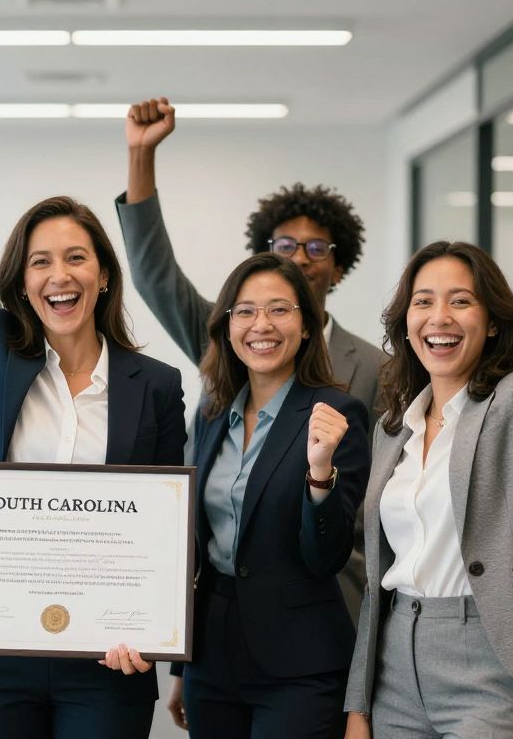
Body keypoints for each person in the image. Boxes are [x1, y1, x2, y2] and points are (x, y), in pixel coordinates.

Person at [0, 23, 187, 739]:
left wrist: (150, 627)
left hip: (108, 660)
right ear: (20, 280)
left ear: (102, 273)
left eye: (76, 258)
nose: (59, 275)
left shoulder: (154, 384)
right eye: (40, 261)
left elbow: (165, 529)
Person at [117, 100, 382, 690]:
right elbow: (156, 275)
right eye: (286, 245)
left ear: (339, 266)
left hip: (327, 622)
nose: (301, 258)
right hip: (225, 633)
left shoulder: (377, 369)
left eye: (319, 249)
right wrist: (141, 155)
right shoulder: (231, 360)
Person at [344, 133, 513, 739]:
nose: (438, 318)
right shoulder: (395, 428)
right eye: (423, 302)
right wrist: (358, 702)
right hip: (395, 666)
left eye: (460, 302)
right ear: (405, 322)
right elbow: (378, 579)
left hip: (493, 662)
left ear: (490, 324)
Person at [178, 252, 370, 737]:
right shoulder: (210, 414)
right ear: (226, 326)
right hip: (211, 655)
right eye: (244, 311)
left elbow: (326, 557)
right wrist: (181, 666)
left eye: (279, 309)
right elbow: (196, 545)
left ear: (306, 326)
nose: (260, 324)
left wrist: (320, 472)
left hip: (299, 664)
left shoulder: (336, 413)